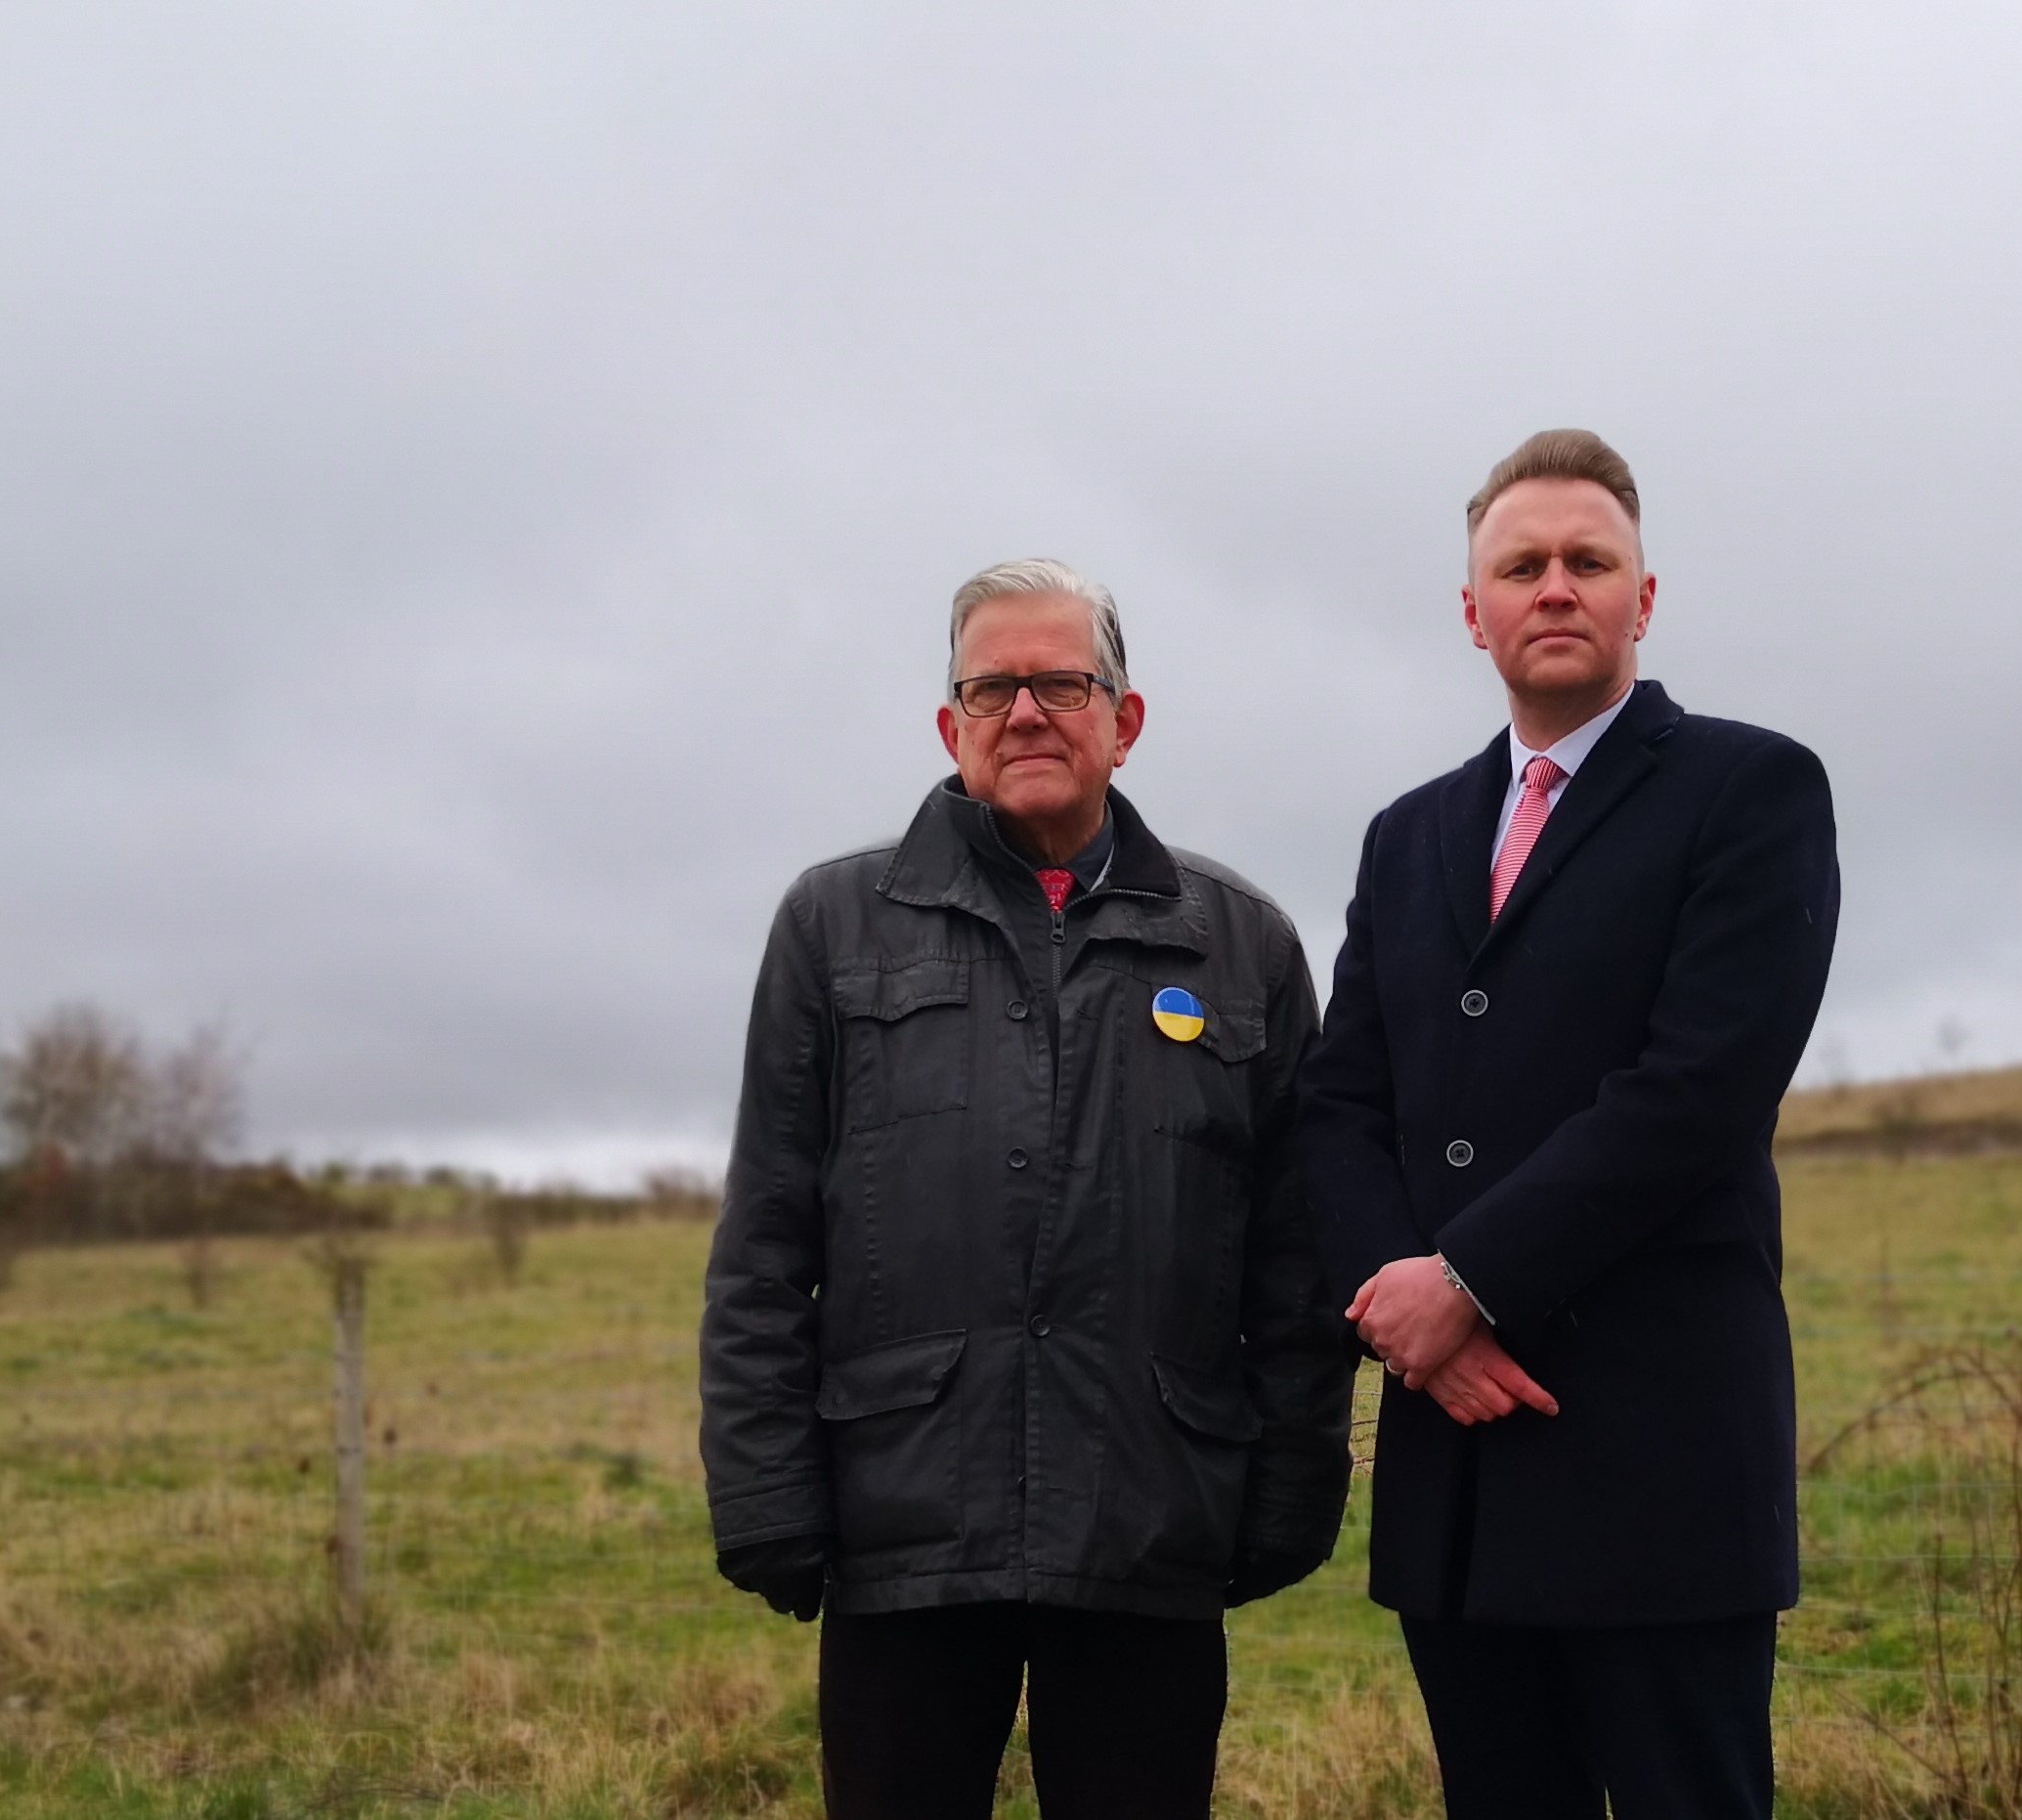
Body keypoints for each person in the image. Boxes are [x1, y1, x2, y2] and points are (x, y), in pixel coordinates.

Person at [701, 558, 1356, 1820]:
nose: (1026, 712)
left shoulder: (1241, 945)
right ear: (950, 724)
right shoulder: (834, 926)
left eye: (1061, 682)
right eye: (991, 686)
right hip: (901, 1520)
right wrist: (766, 1491)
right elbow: (767, 1238)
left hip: (1147, 1520)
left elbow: (1291, 1259)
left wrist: (1288, 1488)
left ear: (1126, 717)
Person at [1302, 431, 1842, 1819]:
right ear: (1471, 609)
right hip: (1460, 1470)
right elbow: (1339, 1103)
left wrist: (1468, 1281)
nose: (1554, 586)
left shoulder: (1750, 790)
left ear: (1641, 599)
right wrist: (1401, 1306)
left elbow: (1697, 1090)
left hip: (1655, 1461)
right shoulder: (1404, 835)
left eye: (1586, 561)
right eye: (1520, 565)